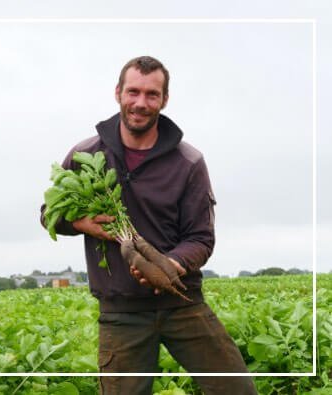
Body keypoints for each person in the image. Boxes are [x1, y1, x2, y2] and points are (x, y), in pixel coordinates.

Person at [41, 56, 257, 395]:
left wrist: (170, 266)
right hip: (121, 311)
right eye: (133, 92)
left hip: (183, 301)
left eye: (152, 95)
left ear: (164, 99)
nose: (141, 103)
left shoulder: (188, 161)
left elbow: (201, 237)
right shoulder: (86, 153)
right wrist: (80, 222)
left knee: (237, 390)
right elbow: (48, 214)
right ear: (118, 93)